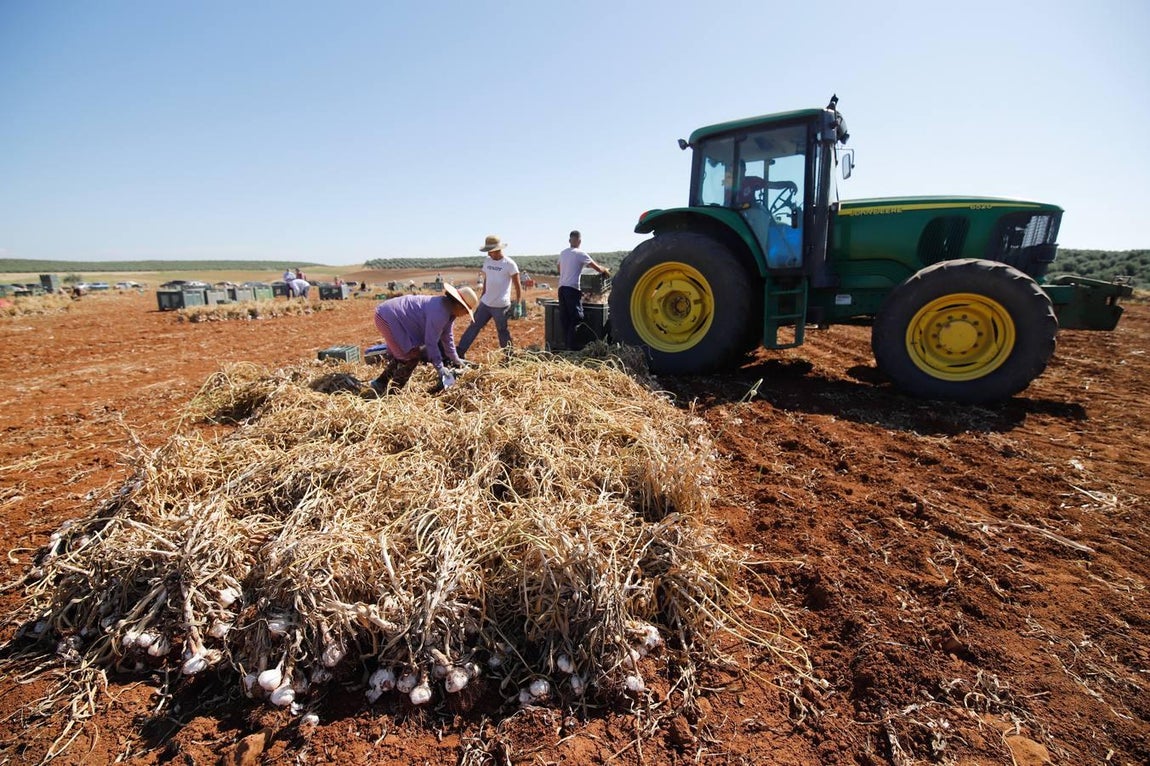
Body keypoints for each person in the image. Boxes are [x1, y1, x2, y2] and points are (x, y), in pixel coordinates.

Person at [368, 283, 479, 396]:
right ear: (460, 305)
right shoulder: (440, 312)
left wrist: (455, 359)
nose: (465, 314)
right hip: (388, 317)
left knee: (405, 354)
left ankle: (379, 383)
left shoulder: (448, 310)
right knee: (411, 357)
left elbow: (447, 337)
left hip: (389, 315)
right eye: (466, 311)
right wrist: (440, 368)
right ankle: (392, 395)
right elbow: (430, 342)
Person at [456, 235, 522, 358]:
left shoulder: (509, 264)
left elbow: (518, 286)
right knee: (474, 326)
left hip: (501, 306)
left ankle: (509, 357)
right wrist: (482, 296)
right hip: (485, 304)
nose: (488, 254)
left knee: (502, 331)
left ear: (496, 250)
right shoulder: (488, 261)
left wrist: (518, 304)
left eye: (490, 251)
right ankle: (459, 352)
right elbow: (487, 279)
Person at [557, 230, 610, 351]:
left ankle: (565, 346)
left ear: (570, 240)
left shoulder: (563, 253)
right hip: (572, 289)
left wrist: (566, 273)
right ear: (580, 241)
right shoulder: (580, 253)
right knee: (576, 318)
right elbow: (597, 268)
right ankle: (573, 347)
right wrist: (605, 270)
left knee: (565, 318)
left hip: (561, 288)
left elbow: (558, 267)